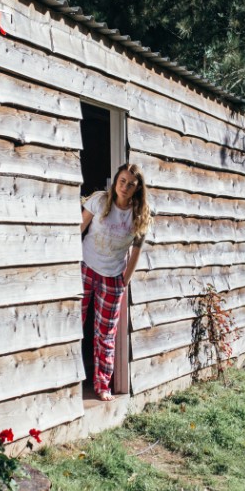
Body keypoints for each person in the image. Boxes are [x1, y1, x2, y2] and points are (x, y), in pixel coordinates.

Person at [80, 163, 153, 401]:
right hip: (86, 268)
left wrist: (125, 280)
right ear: (116, 181)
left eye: (131, 184)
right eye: (122, 181)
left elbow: (136, 251)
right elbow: (78, 227)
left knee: (105, 333)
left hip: (113, 277)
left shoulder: (140, 214)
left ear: (137, 188)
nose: (125, 187)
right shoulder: (101, 201)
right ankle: (67, 380)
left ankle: (102, 385)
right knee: (73, 324)